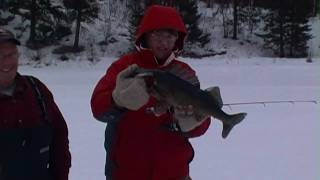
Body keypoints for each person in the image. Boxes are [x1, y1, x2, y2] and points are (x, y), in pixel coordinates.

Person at [91, 5, 211, 180]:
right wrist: (117, 100)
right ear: (145, 36)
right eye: (157, 35)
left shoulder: (185, 73)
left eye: (169, 36)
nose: (164, 43)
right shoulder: (125, 67)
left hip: (174, 173)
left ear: (177, 39)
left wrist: (192, 124)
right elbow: (97, 108)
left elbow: (203, 119)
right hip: (127, 173)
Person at [0, 28, 71, 180]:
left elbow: (60, 138)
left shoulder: (36, 90)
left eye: (11, 54)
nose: (6, 61)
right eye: (0, 55)